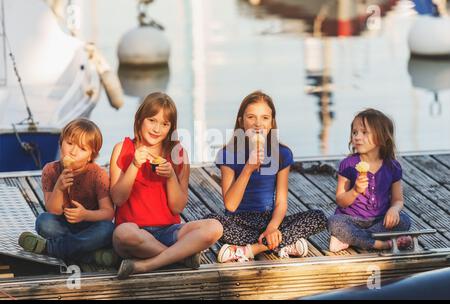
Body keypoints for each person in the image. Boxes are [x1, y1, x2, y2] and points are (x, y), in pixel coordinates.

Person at [110, 92, 223, 279]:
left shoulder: (178, 153)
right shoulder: (123, 149)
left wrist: (171, 176)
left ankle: (147, 265)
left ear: (171, 127)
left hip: (169, 231)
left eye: (165, 124)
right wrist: (134, 165)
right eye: (152, 120)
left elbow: (177, 207)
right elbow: (118, 199)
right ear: (139, 120)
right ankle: (180, 258)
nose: (157, 129)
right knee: (121, 234)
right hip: (134, 232)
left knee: (214, 227)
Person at [206, 91, 327, 262]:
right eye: (251, 117)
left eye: (264, 118)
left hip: (268, 219)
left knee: (318, 217)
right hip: (238, 221)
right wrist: (248, 169)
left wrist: (272, 227)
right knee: (210, 222)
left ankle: (249, 250)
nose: (258, 124)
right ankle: (285, 243)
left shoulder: (282, 154)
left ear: (272, 123)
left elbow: (281, 202)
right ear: (241, 121)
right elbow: (231, 205)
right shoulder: (227, 154)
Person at [18, 119, 117, 266]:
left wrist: (85, 214)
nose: (73, 151)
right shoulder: (50, 171)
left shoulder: (98, 175)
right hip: (64, 225)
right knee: (43, 222)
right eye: (69, 143)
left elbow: (108, 213)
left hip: (91, 225)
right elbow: (53, 210)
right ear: (61, 142)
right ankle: (90, 256)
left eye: (82, 149)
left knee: (108, 229)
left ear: (91, 155)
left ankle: (49, 248)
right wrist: (59, 187)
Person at [328, 108, 411, 252]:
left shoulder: (392, 166)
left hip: (380, 220)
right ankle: (380, 243)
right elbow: (341, 200)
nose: (357, 137)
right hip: (350, 219)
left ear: (382, 137)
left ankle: (353, 239)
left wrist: (394, 210)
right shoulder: (347, 165)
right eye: (355, 132)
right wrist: (355, 191)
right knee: (334, 223)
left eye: (364, 132)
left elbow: (398, 199)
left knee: (404, 220)